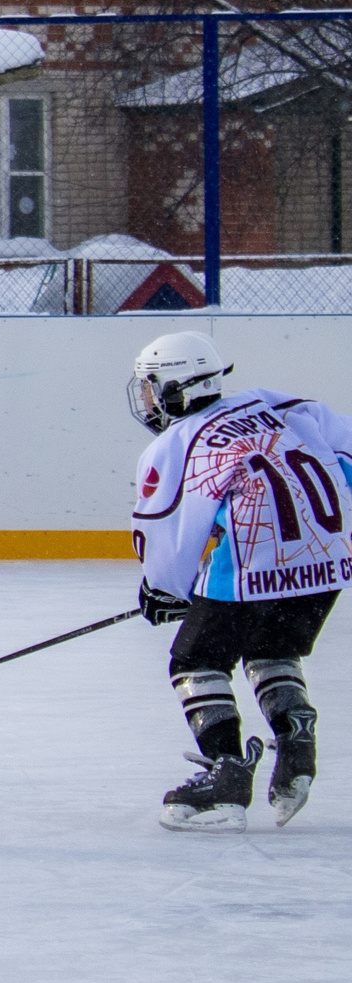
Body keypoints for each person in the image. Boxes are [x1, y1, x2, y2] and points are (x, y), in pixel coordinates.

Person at [128, 331, 350, 829]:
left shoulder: (177, 442)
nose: (146, 398)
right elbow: (347, 451)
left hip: (253, 567)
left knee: (196, 659)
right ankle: (296, 739)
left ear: (174, 389)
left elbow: (165, 531)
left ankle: (225, 776)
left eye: (150, 386)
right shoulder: (278, 405)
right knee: (271, 647)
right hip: (329, 560)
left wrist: (163, 589)